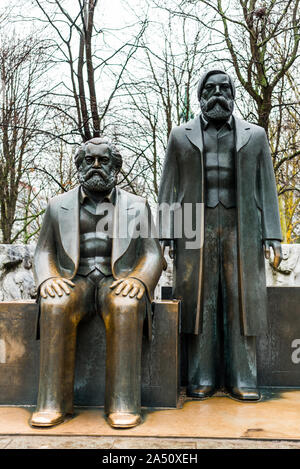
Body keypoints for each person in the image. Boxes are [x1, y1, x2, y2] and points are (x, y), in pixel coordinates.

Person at [158, 70, 282, 401]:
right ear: (200, 96)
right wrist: (166, 233)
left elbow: (266, 186)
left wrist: (273, 235)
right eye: (210, 89)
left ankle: (244, 376)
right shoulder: (179, 136)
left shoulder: (255, 136)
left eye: (223, 88)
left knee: (242, 300)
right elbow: (168, 185)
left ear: (233, 94)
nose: (217, 94)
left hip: (242, 224)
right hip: (192, 225)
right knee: (200, 301)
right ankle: (202, 376)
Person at [30, 137, 164, 428]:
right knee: (55, 304)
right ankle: (53, 403)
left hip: (115, 279)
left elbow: (153, 253)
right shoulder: (56, 206)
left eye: (103, 161)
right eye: (89, 160)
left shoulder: (137, 206)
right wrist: (48, 278)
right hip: (74, 280)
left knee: (126, 305)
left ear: (115, 167)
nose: (96, 166)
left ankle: (123, 403)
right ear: (79, 165)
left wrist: (140, 280)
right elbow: (43, 251)